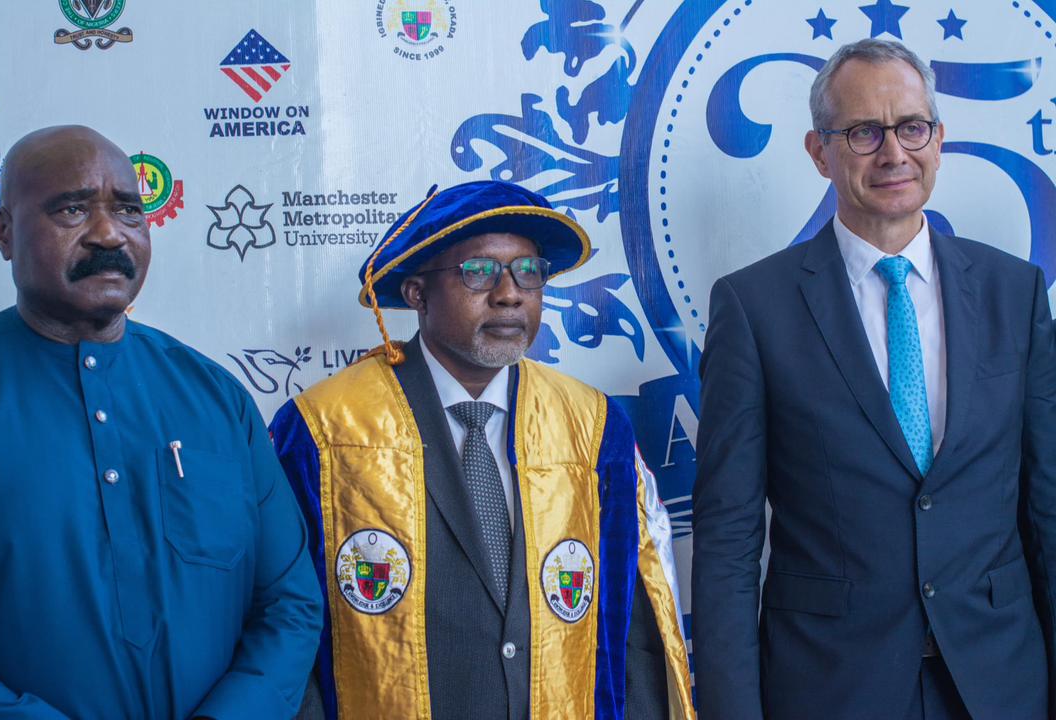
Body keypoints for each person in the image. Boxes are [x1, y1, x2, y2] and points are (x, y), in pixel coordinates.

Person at [691, 39, 1056, 720]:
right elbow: (727, 539)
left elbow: (1047, 507)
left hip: (1000, 682)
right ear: (819, 152)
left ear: (938, 140)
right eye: (863, 132)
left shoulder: (1016, 292)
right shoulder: (753, 307)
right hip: (830, 686)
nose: (894, 154)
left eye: (912, 127)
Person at [270, 180, 695, 719]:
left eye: (528, 271)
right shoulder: (325, 429)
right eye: (479, 271)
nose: (509, 293)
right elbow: (284, 623)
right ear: (417, 293)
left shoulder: (589, 426)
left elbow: (631, 625)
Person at [0, 125, 323, 719]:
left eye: (128, 211)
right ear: (5, 232)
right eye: (72, 209)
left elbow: (290, 604)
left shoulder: (216, 398)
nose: (109, 233)